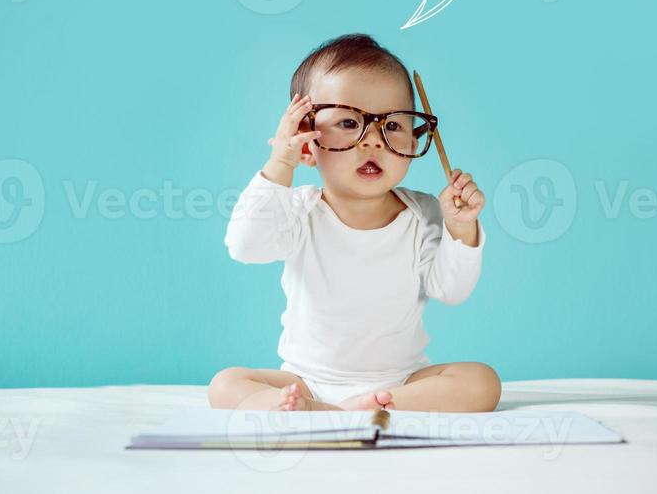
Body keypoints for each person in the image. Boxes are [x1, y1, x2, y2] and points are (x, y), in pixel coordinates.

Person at [208, 33, 501, 413]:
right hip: (306, 383)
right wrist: (280, 163)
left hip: (400, 383)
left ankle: (354, 410)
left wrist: (460, 227)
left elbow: (452, 290)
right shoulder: (298, 211)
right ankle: (313, 407)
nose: (373, 141)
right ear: (307, 143)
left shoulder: (425, 213)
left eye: (393, 126)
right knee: (226, 384)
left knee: (482, 382)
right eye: (349, 122)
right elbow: (246, 246)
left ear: (414, 143)